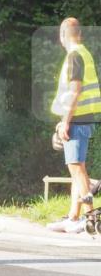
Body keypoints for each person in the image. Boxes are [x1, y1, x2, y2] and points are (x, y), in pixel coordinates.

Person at [47, 17, 100, 233]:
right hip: (85, 117)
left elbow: (75, 90)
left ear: (62, 36)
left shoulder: (74, 56)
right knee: (77, 167)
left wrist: (65, 122)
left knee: (76, 168)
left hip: (77, 119)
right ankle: (73, 217)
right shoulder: (84, 53)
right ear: (79, 34)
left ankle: (91, 217)